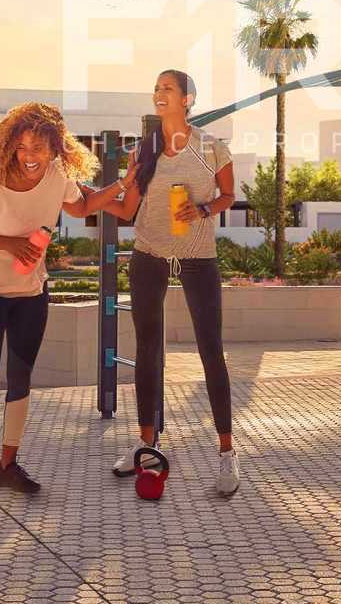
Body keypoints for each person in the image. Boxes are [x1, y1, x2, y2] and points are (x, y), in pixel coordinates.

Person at [0, 102, 124, 514]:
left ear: (56, 148)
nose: (31, 156)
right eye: (23, 147)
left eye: (40, 147)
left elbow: (79, 207)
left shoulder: (57, 177)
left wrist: (120, 187)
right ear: (10, 147)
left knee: (21, 380)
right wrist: (7, 243)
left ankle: (7, 465)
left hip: (30, 295)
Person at [99, 69, 241, 496]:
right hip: (149, 255)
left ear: (187, 99)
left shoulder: (211, 147)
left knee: (210, 350)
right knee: (146, 348)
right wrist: (84, 198)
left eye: (168, 88)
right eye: (157, 88)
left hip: (198, 257)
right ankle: (146, 443)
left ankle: (227, 452)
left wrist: (201, 210)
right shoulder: (145, 149)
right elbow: (127, 209)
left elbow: (229, 196)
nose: (160, 94)